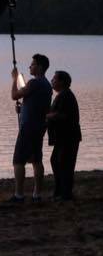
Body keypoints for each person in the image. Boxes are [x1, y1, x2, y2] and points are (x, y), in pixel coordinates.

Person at [9, 54, 52, 203]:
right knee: (36, 160)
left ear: (39, 67)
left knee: (18, 161)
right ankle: (36, 194)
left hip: (28, 128)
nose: (30, 67)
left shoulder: (34, 83)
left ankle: (19, 195)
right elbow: (38, 105)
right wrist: (24, 109)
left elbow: (14, 95)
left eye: (32, 64)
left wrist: (15, 78)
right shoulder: (47, 85)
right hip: (39, 127)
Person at [47, 70, 82, 201]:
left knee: (64, 164)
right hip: (63, 137)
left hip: (68, 137)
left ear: (61, 82)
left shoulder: (66, 96)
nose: (52, 81)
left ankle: (65, 194)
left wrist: (47, 116)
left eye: (54, 79)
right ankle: (60, 191)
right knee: (56, 161)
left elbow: (62, 115)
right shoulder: (62, 95)